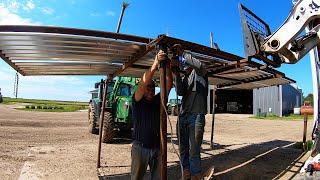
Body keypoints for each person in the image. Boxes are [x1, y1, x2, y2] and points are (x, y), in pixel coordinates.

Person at [131, 49, 173, 180]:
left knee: (158, 177)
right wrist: (155, 64)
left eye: (152, 87)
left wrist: (167, 66)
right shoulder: (137, 99)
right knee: (136, 177)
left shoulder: (157, 100)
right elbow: (143, 84)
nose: (150, 90)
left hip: (157, 148)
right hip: (140, 148)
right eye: (148, 88)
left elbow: (169, 85)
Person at [171, 44, 208, 180]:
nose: (183, 64)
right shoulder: (185, 78)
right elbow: (180, 92)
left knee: (193, 151)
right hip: (183, 117)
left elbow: (198, 65)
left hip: (196, 116)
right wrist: (176, 75)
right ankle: (186, 173)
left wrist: (182, 53)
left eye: (185, 62)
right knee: (183, 149)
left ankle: (195, 176)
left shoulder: (201, 73)